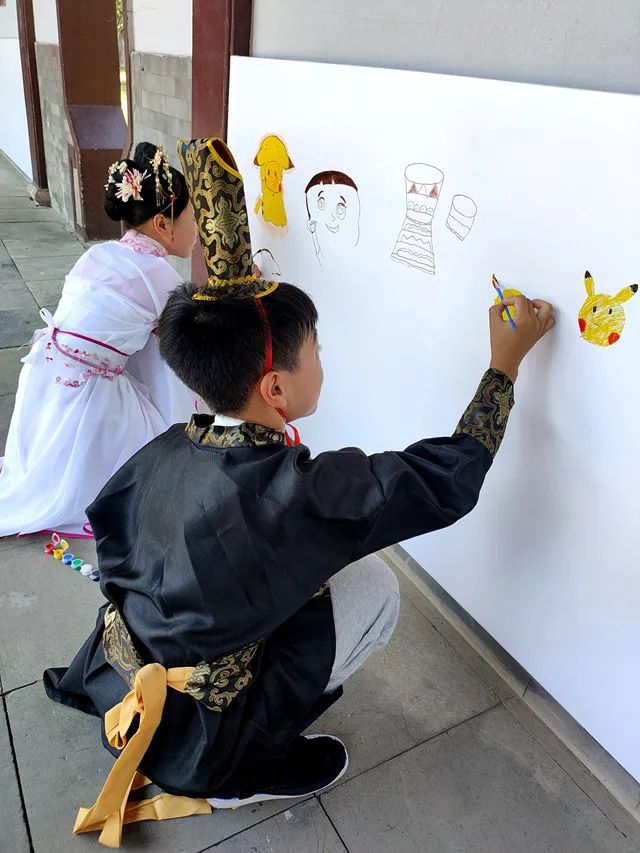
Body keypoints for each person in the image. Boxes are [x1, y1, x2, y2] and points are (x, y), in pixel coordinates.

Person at [43, 138, 554, 847]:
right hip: (199, 729)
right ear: (275, 386)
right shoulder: (301, 492)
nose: (323, 360)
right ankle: (238, 771)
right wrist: (503, 366)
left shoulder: (159, 451)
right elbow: (447, 477)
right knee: (378, 588)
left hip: (127, 680)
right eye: (316, 349)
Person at [0, 142, 200, 538]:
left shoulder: (101, 254)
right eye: (193, 218)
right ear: (163, 224)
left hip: (43, 379)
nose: (198, 230)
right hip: (87, 398)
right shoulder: (159, 276)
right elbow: (192, 340)